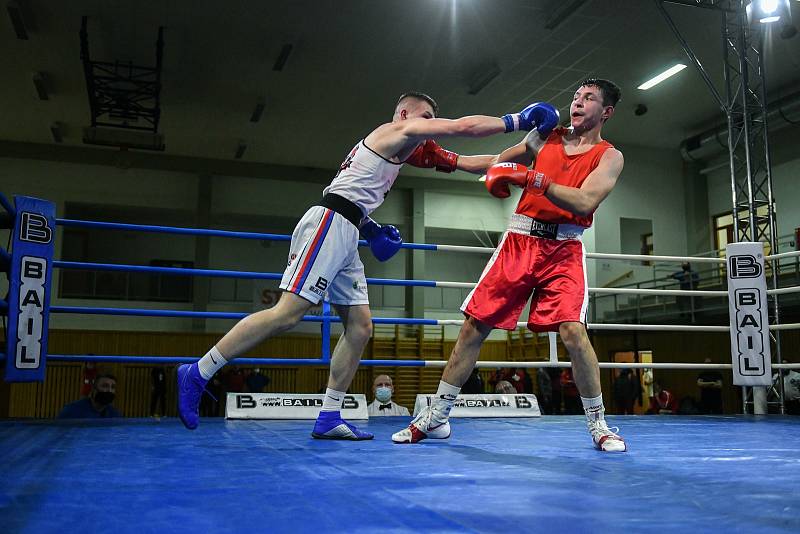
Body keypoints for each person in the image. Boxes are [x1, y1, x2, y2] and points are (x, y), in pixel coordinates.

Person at [178, 92, 544, 438]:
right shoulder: (395, 130)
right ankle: (199, 371)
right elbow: (462, 127)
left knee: (360, 326)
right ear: (405, 114)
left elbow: (472, 164)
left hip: (349, 228)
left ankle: (329, 415)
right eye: (427, 116)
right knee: (289, 313)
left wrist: (527, 148)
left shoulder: (405, 150)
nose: (431, 123)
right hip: (329, 222)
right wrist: (515, 119)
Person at [392, 79, 627, 452]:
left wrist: (536, 179)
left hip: (564, 247)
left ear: (606, 112)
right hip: (520, 239)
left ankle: (599, 425)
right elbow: (502, 162)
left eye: (589, 99)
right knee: (474, 327)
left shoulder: (609, 156)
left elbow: (584, 201)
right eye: (576, 96)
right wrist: (446, 160)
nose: (578, 103)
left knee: (572, 333)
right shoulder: (546, 134)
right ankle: (436, 417)